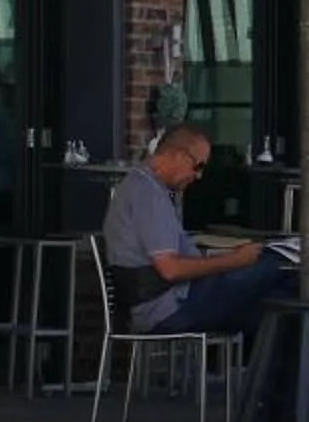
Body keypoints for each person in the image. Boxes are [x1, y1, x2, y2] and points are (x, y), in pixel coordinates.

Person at [101, 122, 293, 337]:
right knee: (280, 268)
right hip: (169, 307)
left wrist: (232, 257)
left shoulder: (145, 187)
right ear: (178, 155)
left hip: (171, 299)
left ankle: (264, 368)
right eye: (198, 166)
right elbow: (171, 269)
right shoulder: (149, 194)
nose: (199, 176)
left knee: (274, 304)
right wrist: (235, 260)